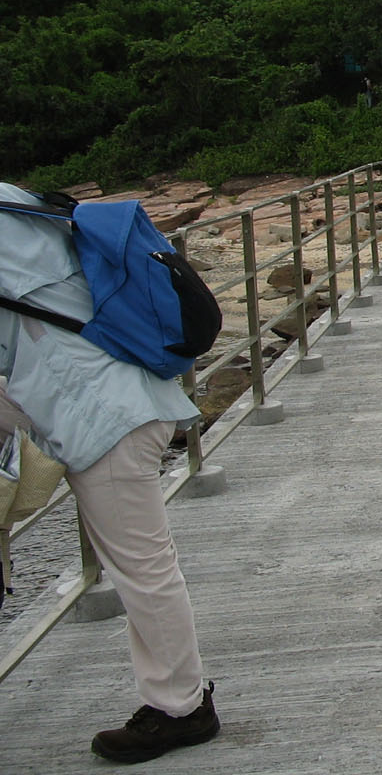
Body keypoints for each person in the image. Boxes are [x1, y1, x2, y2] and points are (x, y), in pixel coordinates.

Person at [0, 184, 222, 763]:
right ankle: (177, 697)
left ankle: (182, 708)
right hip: (127, 398)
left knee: (145, 571)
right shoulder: (15, 205)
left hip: (106, 419)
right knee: (145, 567)